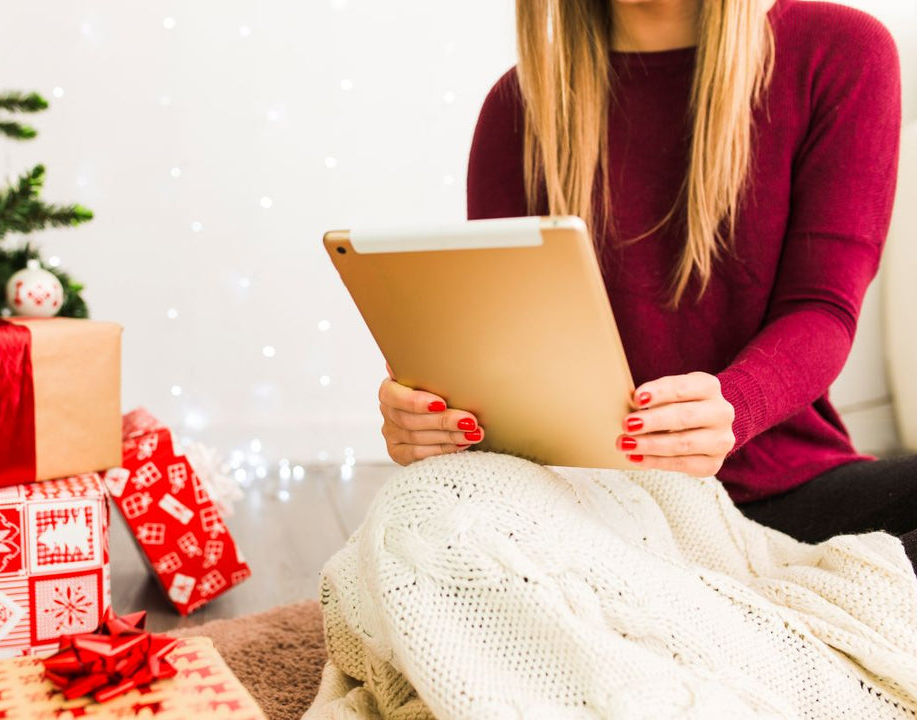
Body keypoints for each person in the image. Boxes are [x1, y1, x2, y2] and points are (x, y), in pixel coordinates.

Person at [377, 0, 917, 564]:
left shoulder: (841, 50)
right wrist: (432, 415)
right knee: (421, 520)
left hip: (786, 491)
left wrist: (735, 404)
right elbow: (502, 350)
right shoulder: (518, 106)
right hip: (590, 507)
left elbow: (822, 308)